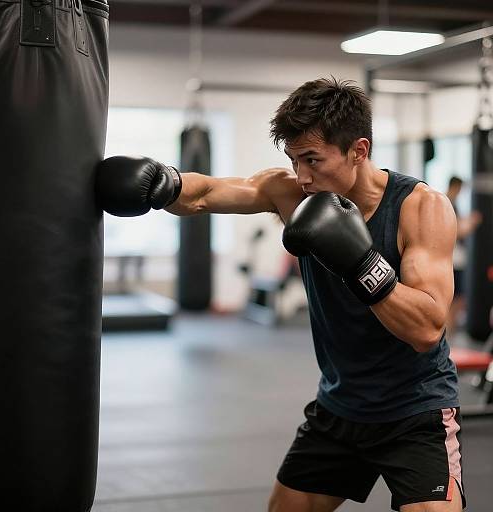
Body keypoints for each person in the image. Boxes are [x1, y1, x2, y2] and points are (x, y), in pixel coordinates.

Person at [96, 78, 464, 511]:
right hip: (339, 406)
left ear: (359, 150)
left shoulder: (421, 207)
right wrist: (163, 183)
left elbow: (426, 329)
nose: (302, 176)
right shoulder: (291, 192)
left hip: (414, 410)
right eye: (293, 160)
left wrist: (361, 261)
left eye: (313, 159)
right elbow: (208, 193)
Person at [445, 176, 482, 337]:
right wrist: (472, 223)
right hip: (452, 259)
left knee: (458, 299)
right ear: (455, 187)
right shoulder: (446, 203)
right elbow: (457, 231)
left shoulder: (452, 204)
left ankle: (449, 333)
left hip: (456, 259)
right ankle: (447, 334)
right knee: (453, 299)